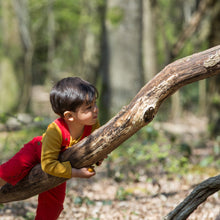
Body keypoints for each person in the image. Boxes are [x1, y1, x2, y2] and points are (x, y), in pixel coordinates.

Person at [0, 77, 103, 219]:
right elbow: (48, 164)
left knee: (53, 205)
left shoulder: (92, 124)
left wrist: (99, 157)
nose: (95, 109)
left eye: (94, 104)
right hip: (37, 151)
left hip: (59, 165)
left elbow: (96, 145)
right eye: (89, 108)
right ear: (69, 116)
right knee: (8, 171)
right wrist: (76, 173)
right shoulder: (56, 130)